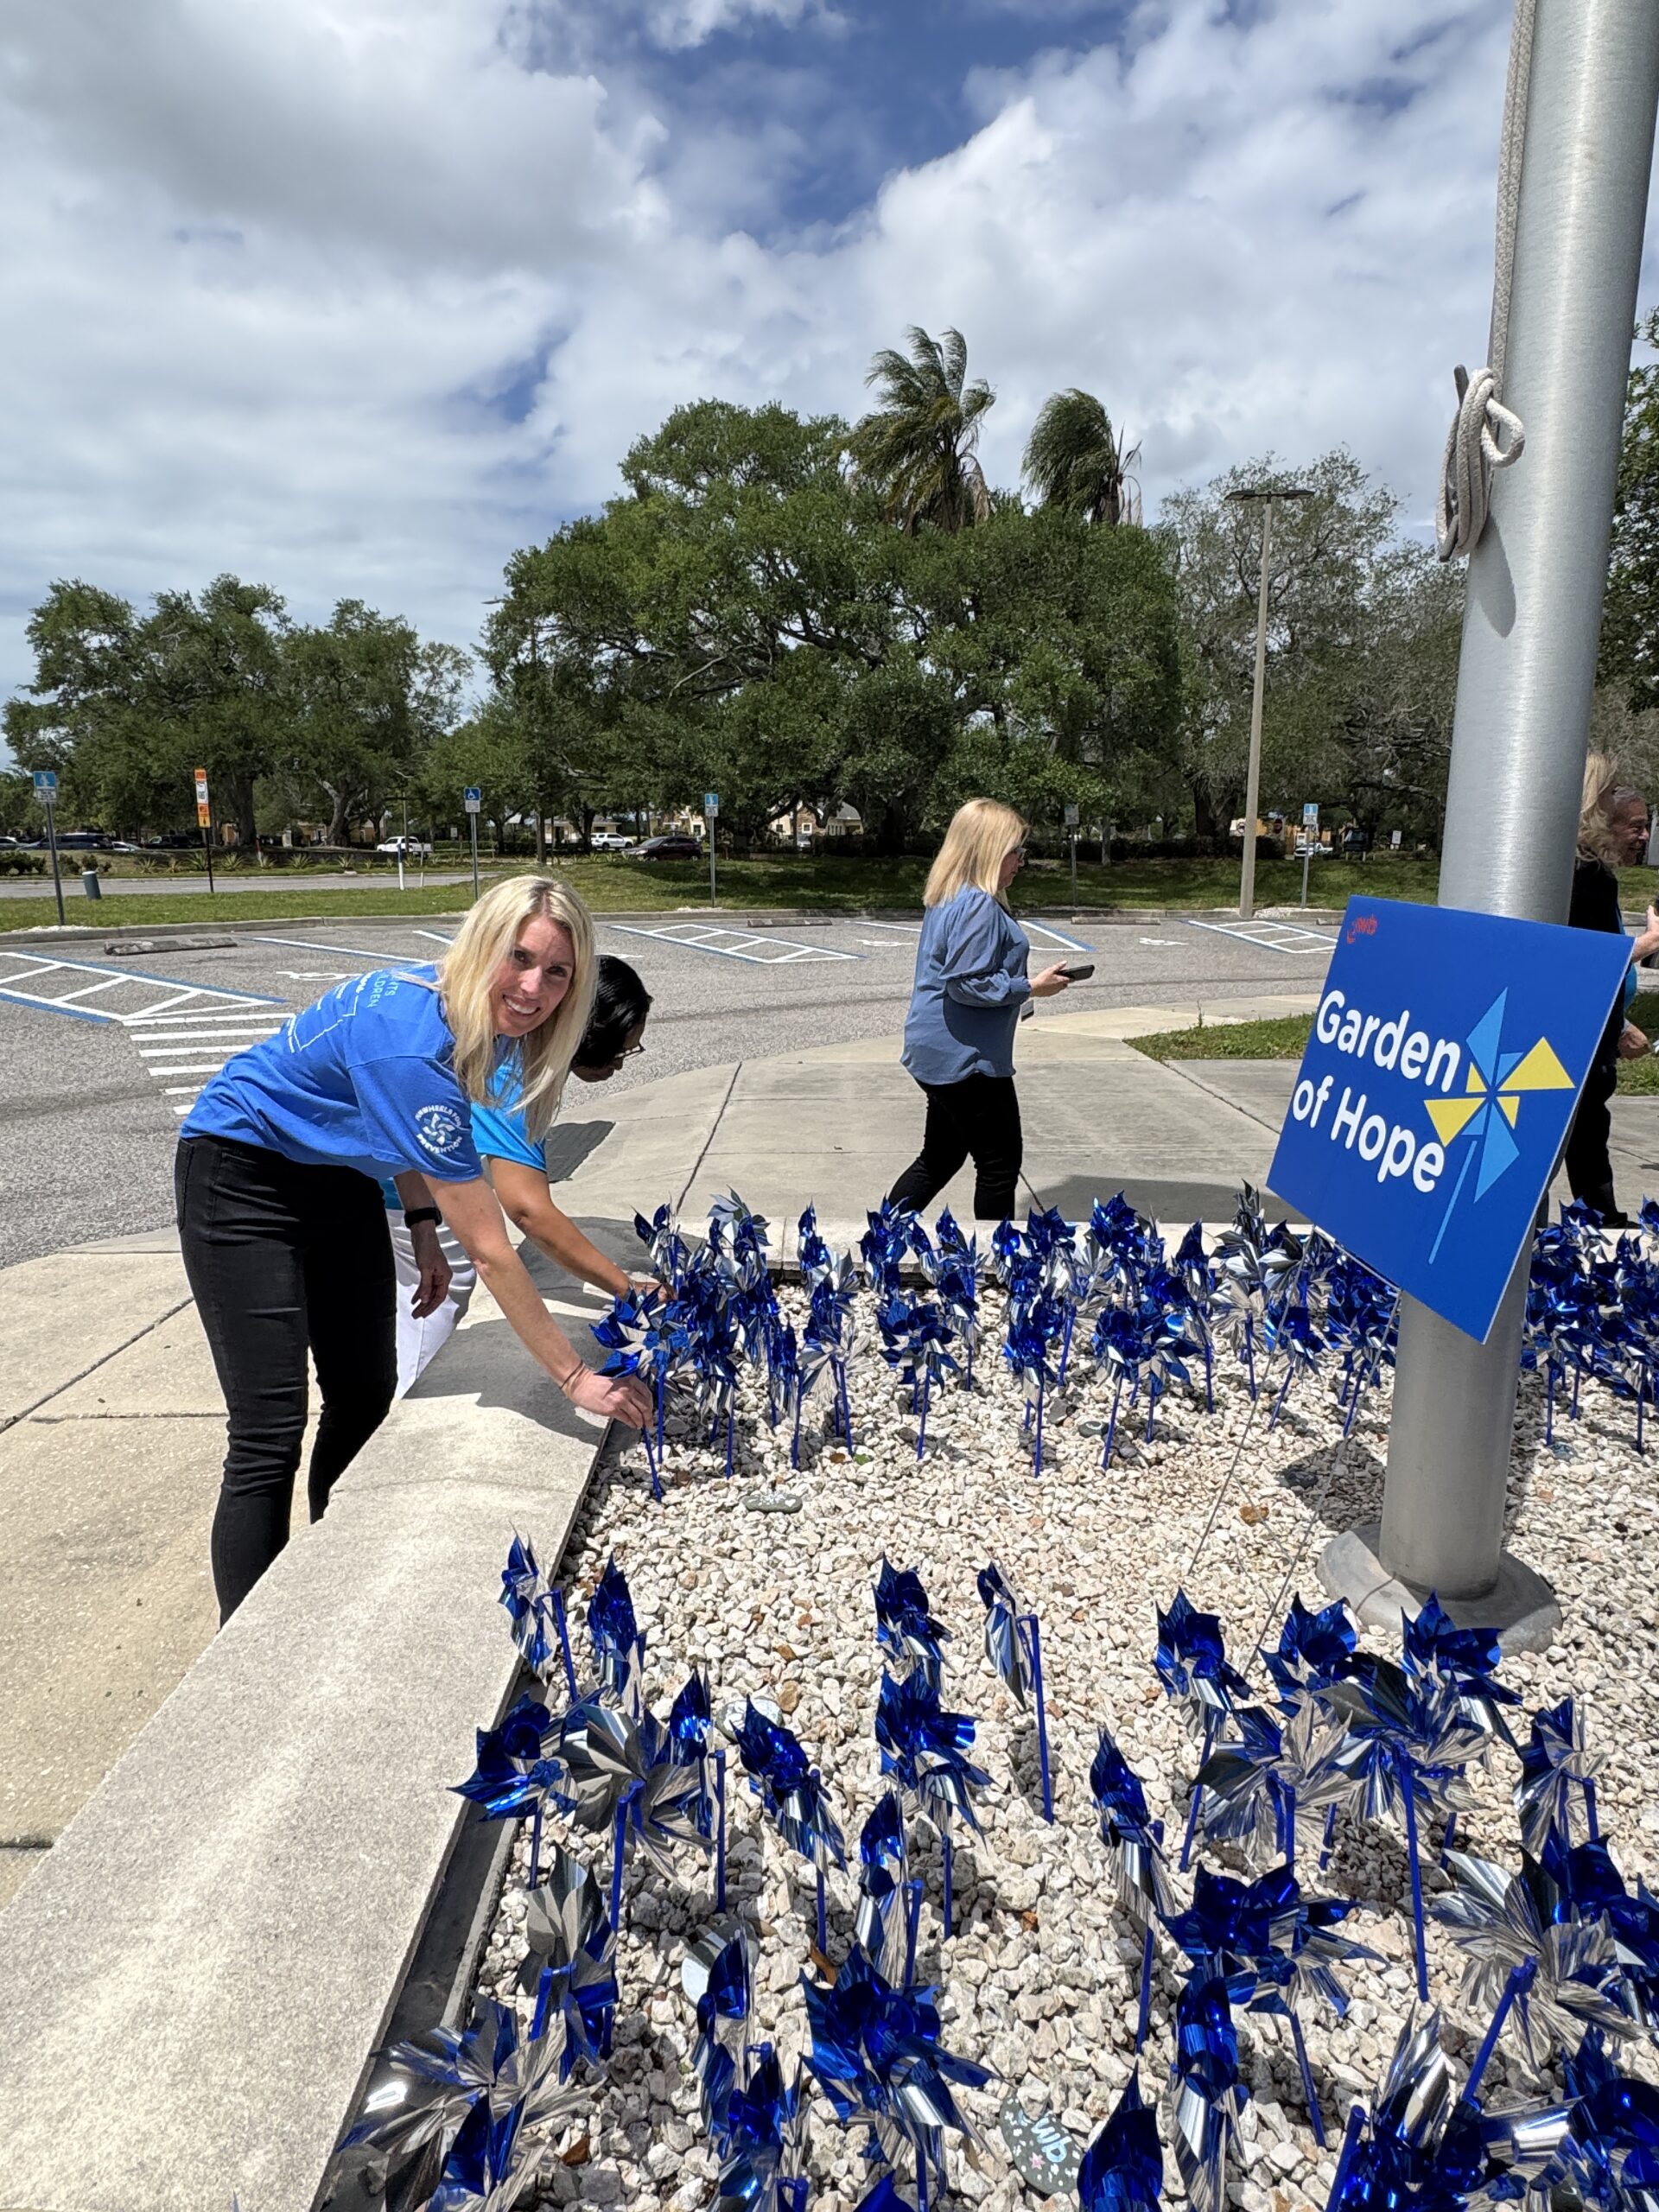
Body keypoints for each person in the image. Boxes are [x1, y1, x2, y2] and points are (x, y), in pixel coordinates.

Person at [175, 877, 652, 1620]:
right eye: (518, 958)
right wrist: (573, 1381)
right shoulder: (412, 1040)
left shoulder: (460, 1012)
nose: (533, 988)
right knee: (268, 1433)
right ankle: (256, 1636)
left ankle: (328, 1567)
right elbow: (494, 1249)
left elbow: (391, 1121)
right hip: (241, 1176)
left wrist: (422, 1222)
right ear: (480, 946)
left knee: (364, 1391)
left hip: (338, 1178)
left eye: (557, 972)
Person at [388, 954, 656, 1393]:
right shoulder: (516, 1072)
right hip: (394, 1190)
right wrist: (626, 1288)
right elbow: (529, 1210)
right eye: (621, 1050)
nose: (622, 1065)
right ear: (587, 1032)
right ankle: (410, 1411)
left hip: (393, 1179)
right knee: (432, 1311)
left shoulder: (516, 1047)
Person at [886, 798, 1071, 1223]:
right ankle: (1001, 1269)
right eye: (1015, 852)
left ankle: (883, 1241)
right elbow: (968, 983)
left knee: (940, 1157)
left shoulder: (950, 895)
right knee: (1000, 1165)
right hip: (966, 1059)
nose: (1021, 862)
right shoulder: (978, 904)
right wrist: (1031, 988)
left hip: (938, 1050)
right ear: (988, 850)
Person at [1564, 755, 1659, 1225]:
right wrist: (1649, 943)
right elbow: (1582, 961)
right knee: (1578, 1134)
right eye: (1606, 798)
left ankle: (1598, 1219)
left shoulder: (1571, 872)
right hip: (1577, 1042)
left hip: (1588, 1030)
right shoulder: (1587, 879)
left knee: (1585, 1136)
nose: (1644, 835)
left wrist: (1619, 1021)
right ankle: (1598, 1225)